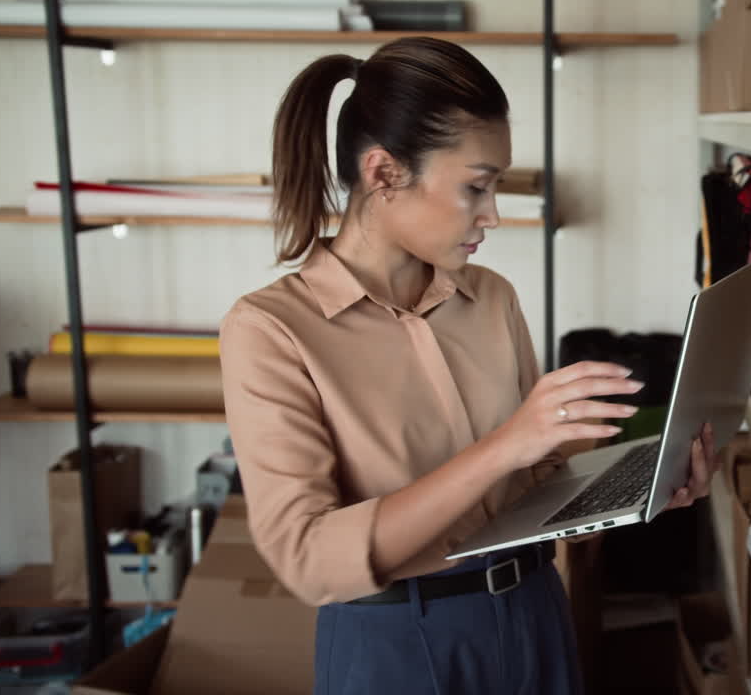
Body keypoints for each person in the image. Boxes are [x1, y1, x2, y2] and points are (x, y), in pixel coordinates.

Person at [219, 37, 719, 695]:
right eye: (476, 187)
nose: (493, 214)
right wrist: (505, 445)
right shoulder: (271, 330)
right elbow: (308, 560)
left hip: (534, 609)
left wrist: (642, 485)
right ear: (383, 174)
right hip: (396, 643)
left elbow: (531, 482)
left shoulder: (491, 297)